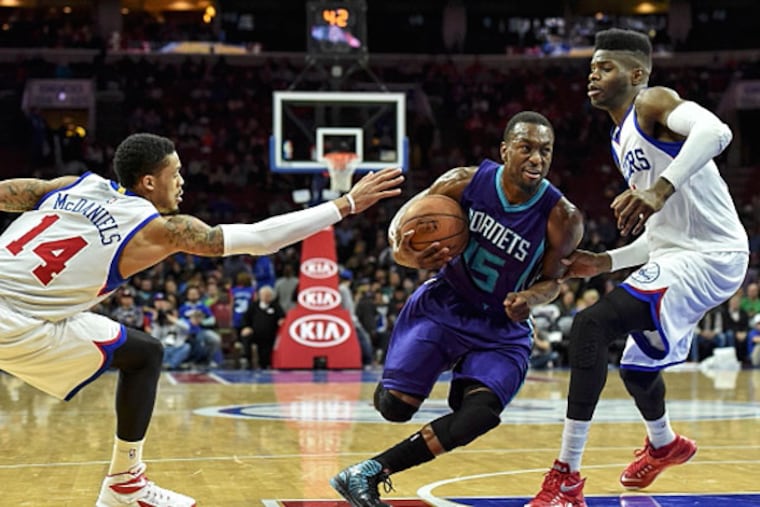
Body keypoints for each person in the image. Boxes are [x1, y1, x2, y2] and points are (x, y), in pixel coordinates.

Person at [0, 132, 403, 507]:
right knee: (142, 356)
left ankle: (126, 482)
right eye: (174, 173)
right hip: (15, 320)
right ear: (148, 182)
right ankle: (125, 483)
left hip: (21, 308)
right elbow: (261, 239)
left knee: (144, 353)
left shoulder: (72, 185)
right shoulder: (159, 229)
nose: (182, 182)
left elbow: (10, 193)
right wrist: (345, 204)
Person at [527, 28, 749, 507]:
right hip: (679, 254)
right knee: (636, 368)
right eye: (591, 68)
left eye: (604, 67)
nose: (593, 75)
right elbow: (660, 236)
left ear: (636, 73)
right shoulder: (618, 138)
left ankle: (566, 475)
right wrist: (603, 262)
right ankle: (666, 443)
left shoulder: (653, 102)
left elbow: (718, 131)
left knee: (589, 326)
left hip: (713, 256)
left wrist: (658, 189)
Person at [329, 111, 584, 506]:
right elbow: (400, 233)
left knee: (478, 414)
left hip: (501, 326)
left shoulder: (561, 217)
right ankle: (432, 362)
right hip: (446, 303)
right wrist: (411, 254)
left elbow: (554, 282)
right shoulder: (462, 182)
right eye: (526, 148)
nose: (537, 159)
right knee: (393, 408)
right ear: (504, 151)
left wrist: (531, 298)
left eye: (545, 151)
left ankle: (369, 472)